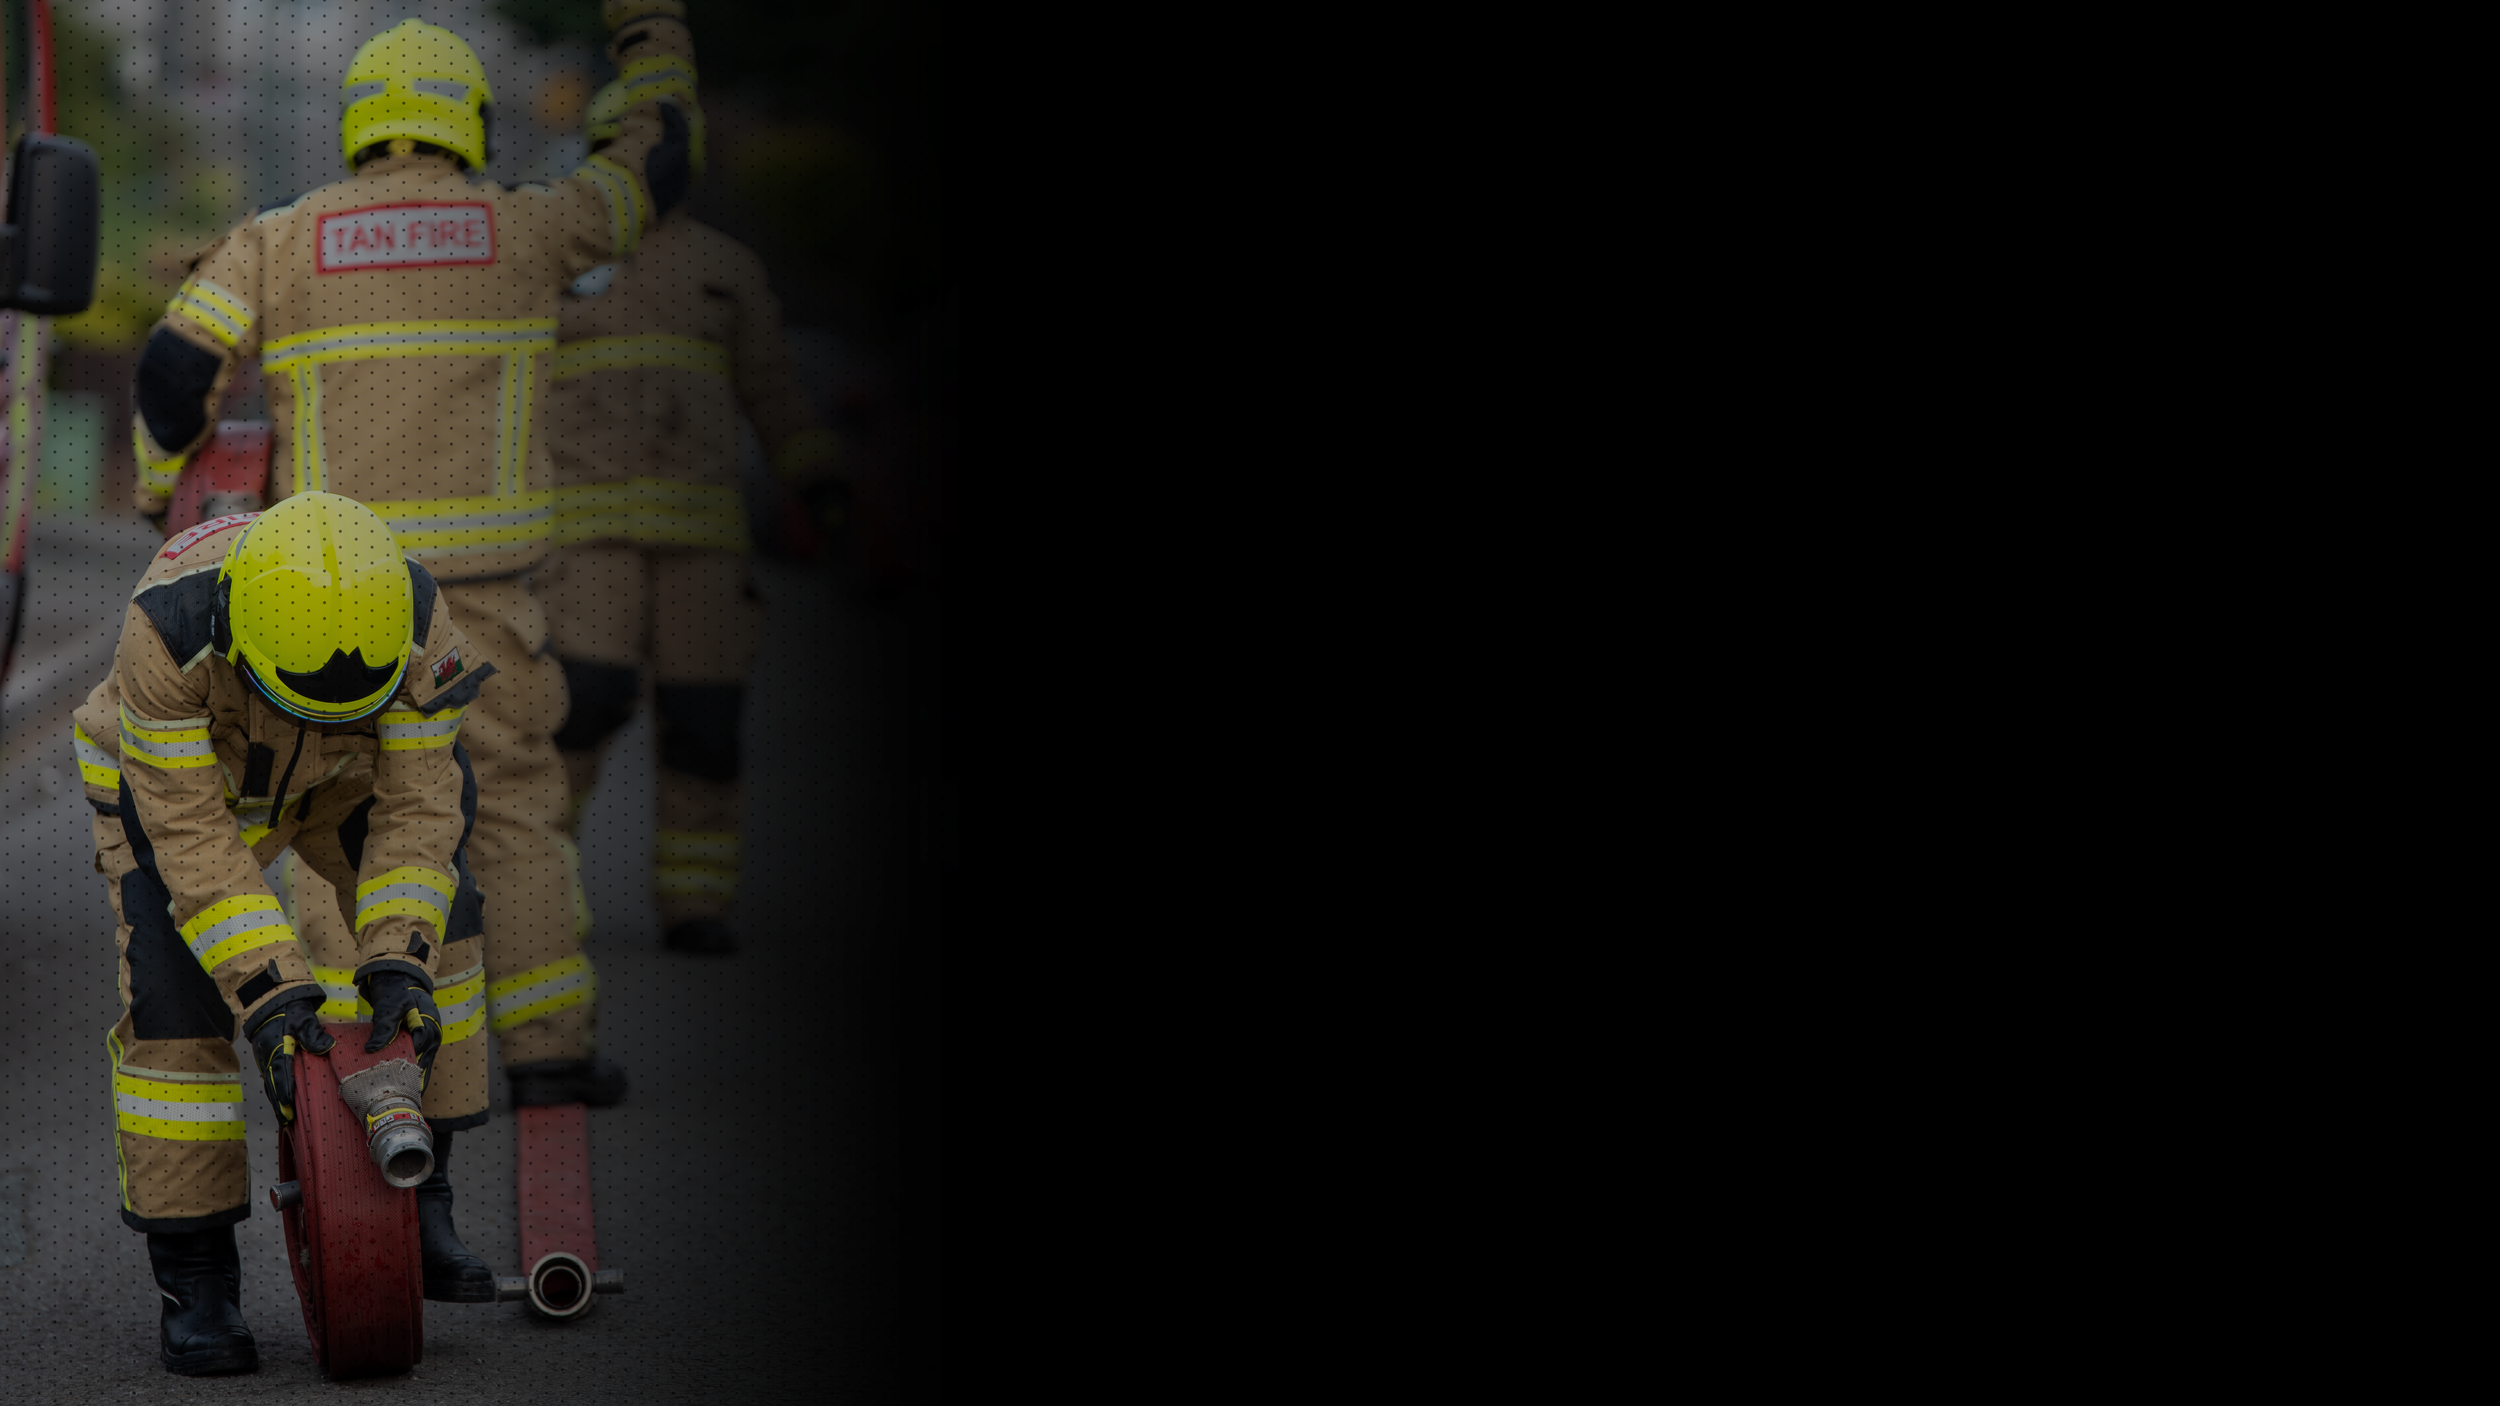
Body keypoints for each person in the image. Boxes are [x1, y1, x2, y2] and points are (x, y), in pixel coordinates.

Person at [127, 14, 690, 1128]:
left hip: (334, 602)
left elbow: (172, 371)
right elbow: (653, 170)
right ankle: (548, 1049)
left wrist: (160, 490)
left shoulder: (281, 239)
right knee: (514, 809)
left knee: (350, 815)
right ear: (470, 124)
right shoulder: (531, 227)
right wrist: (653, 36)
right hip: (489, 601)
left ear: (357, 127)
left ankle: (359, 1077)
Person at [72, 494, 486, 1373]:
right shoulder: (166, 630)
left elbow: (420, 809)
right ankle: (197, 1280)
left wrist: (400, 962)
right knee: (175, 1012)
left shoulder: (416, 620)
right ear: (236, 638)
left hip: (340, 782)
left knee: (444, 933)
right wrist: (273, 994)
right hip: (184, 792)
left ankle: (427, 1203)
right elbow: (192, 842)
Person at [539, 2, 846, 954]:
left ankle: (696, 902)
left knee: (705, 723)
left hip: (702, 544)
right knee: (577, 709)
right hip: (586, 539)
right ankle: (538, 890)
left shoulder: (727, 270)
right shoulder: (564, 264)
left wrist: (819, 479)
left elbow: (774, 390)